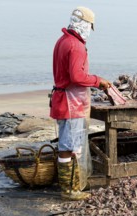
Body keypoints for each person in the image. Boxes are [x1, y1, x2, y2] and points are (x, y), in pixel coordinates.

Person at [50, 6, 111, 200]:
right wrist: (97, 81)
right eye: (89, 27)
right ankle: (69, 190)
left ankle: (73, 186)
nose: (89, 32)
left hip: (63, 99)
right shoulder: (75, 45)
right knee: (69, 147)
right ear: (85, 25)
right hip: (71, 103)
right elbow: (77, 76)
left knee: (69, 144)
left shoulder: (63, 40)